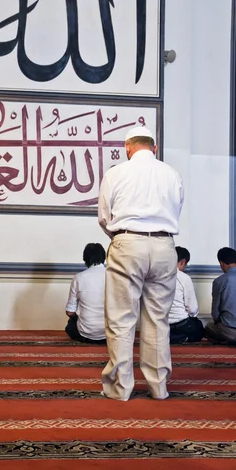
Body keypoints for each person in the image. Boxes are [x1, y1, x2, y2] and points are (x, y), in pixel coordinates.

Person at [98, 126, 184, 401]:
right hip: (164, 245)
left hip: (127, 243)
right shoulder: (171, 174)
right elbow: (177, 208)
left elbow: (104, 216)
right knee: (158, 320)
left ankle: (121, 389)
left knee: (122, 319)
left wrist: (122, 238)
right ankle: (159, 387)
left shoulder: (116, 173)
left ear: (128, 149)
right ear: (154, 148)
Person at [65, 243, 106, 344]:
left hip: (86, 332)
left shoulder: (78, 278)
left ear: (85, 259)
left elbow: (70, 312)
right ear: (104, 257)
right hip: (111, 332)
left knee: (70, 325)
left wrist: (76, 318)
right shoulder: (115, 276)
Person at [169, 246, 204, 343]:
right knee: (198, 327)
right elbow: (192, 309)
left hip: (160, 323)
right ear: (182, 262)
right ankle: (181, 338)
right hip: (181, 324)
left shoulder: (157, 275)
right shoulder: (184, 278)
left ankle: (168, 337)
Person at [204, 247, 236, 344]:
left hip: (230, 331)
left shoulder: (219, 281)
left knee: (208, 327)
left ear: (221, 263)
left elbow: (215, 313)